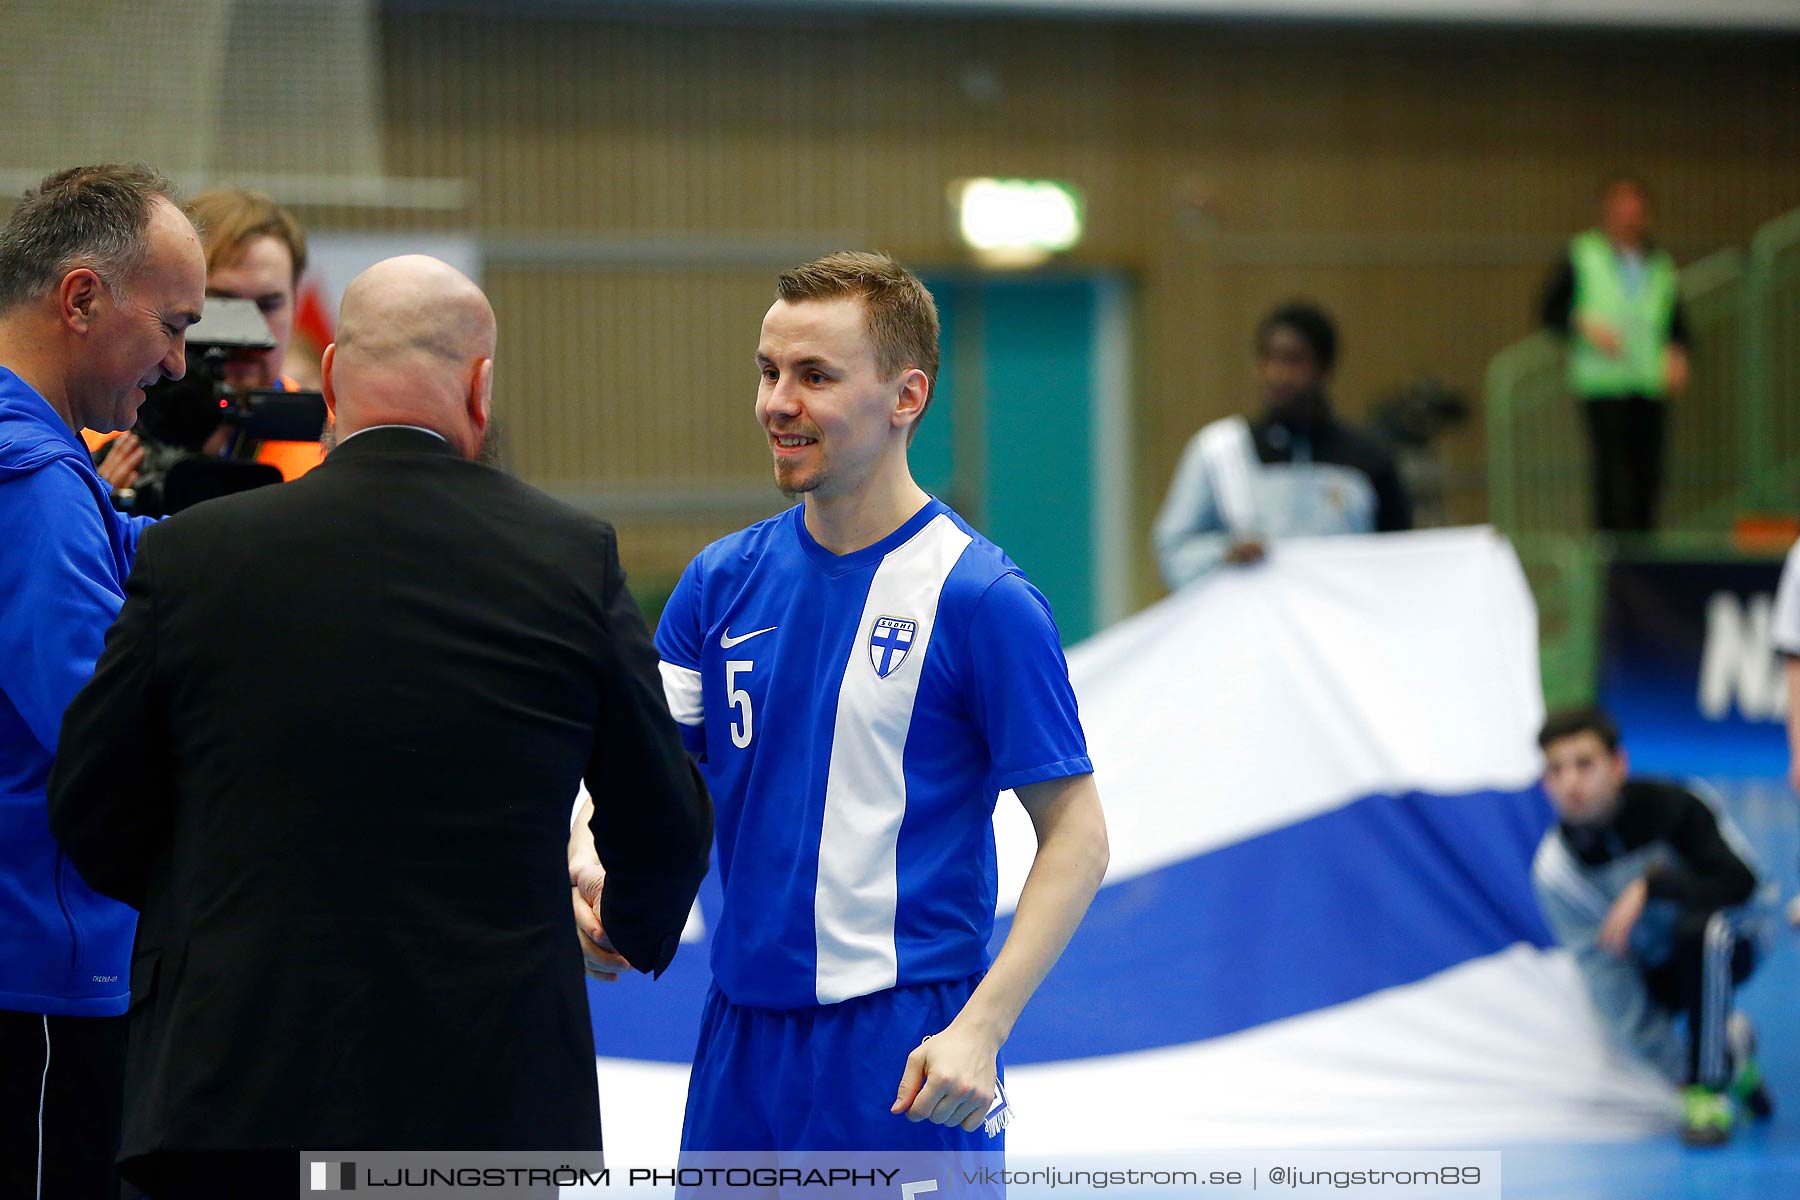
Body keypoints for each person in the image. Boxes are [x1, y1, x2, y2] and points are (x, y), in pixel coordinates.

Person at [47, 255, 712, 1195]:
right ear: (481, 389)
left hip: (232, 1086)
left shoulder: (196, 554)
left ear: (328, 385)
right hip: (485, 1103)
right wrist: (628, 923)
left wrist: (197, 899)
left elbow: (88, 801)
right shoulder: (568, 560)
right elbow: (663, 817)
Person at [579, 251, 1109, 1164]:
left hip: (902, 1052)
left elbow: (1079, 836)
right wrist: (589, 862)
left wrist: (982, 1030)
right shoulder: (718, 583)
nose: (777, 402)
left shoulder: (981, 598)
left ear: (907, 396)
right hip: (738, 1040)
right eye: (768, 372)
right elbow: (637, 772)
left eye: (814, 376)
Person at [0, 163, 205, 1200]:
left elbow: (114, 552)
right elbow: (98, 732)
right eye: (172, 325)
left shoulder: (38, 468)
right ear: (81, 298)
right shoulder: (31, 482)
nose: (176, 362)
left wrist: (267, 545)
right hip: (39, 963)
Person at [1530, 707, 1774, 1147]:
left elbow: (1741, 884)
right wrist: (1676, 1070)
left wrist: (1653, 885)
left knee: (1702, 934)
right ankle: (1730, 1054)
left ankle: (1710, 1087)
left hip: (1735, 937)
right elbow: (1607, 975)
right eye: (1555, 771)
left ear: (1618, 765)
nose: (1571, 783)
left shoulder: (1676, 806)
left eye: (1584, 764)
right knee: (1608, 1034)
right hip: (1654, 967)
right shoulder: (1555, 872)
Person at [92, 187, 323, 509]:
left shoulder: (331, 447)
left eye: (268, 305)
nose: (248, 333)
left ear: (296, 305)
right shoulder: (95, 431)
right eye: (222, 302)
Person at [1152, 301, 1412, 588]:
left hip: (1341, 626)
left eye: (1293, 360)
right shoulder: (1219, 451)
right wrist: (1224, 553)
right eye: (1269, 358)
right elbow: (1173, 552)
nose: (1278, 374)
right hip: (1248, 626)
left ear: (1323, 368)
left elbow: (1399, 560)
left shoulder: (1368, 457)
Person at [1540, 176, 1691, 534]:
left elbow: (1674, 319)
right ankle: (1612, 565)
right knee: (1612, 476)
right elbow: (1551, 311)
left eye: (1636, 210)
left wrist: (1677, 353)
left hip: (1647, 382)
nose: (1629, 217)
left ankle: (1644, 561)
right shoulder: (1583, 254)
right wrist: (1584, 324)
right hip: (1603, 383)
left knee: (1648, 474)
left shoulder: (1660, 263)